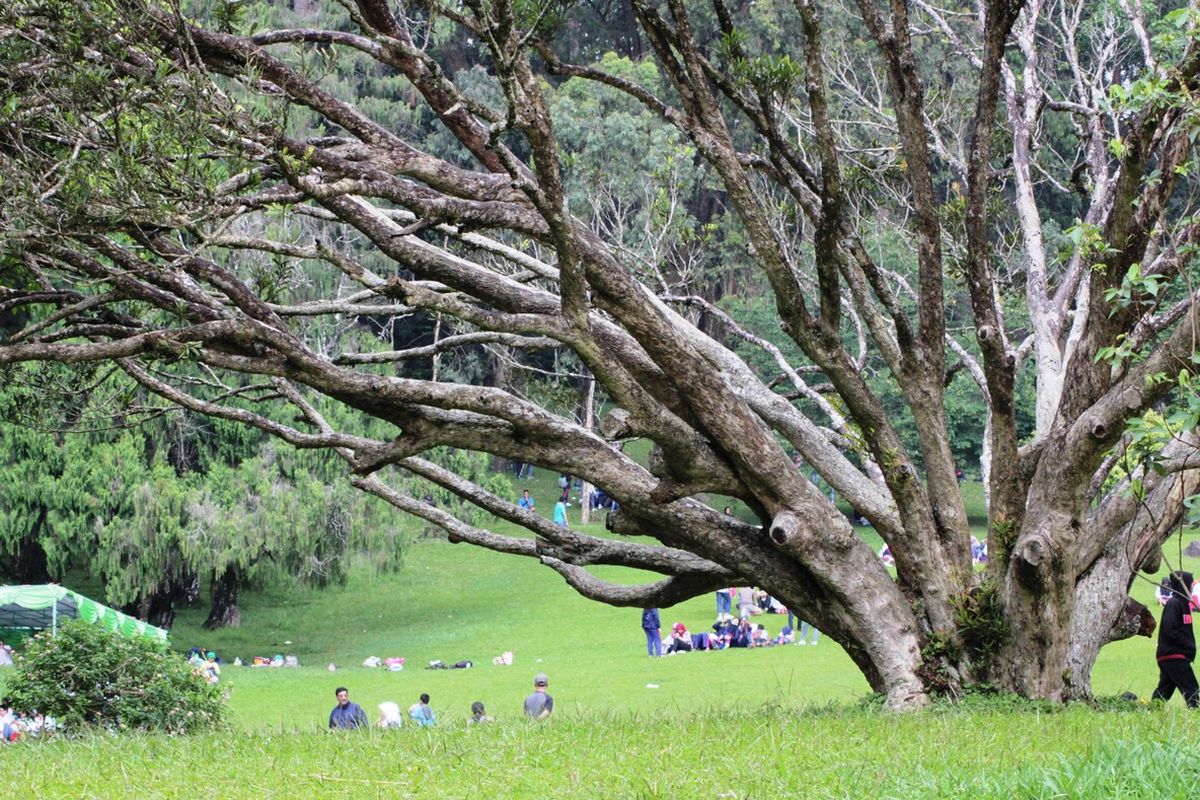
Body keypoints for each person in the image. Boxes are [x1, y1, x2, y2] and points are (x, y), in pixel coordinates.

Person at [1152, 571, 1199, 707]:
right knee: (1191, 688)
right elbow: (1169, 629)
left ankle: (1151, 711)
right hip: (1174, 655)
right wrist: (1187, 644)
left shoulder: (1183, 604)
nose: (1191, 588)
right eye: (1189, 585)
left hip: (1174, 655)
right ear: (1182, 585)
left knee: (1164, 691)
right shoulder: (1174, 604)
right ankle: (1196, 716)